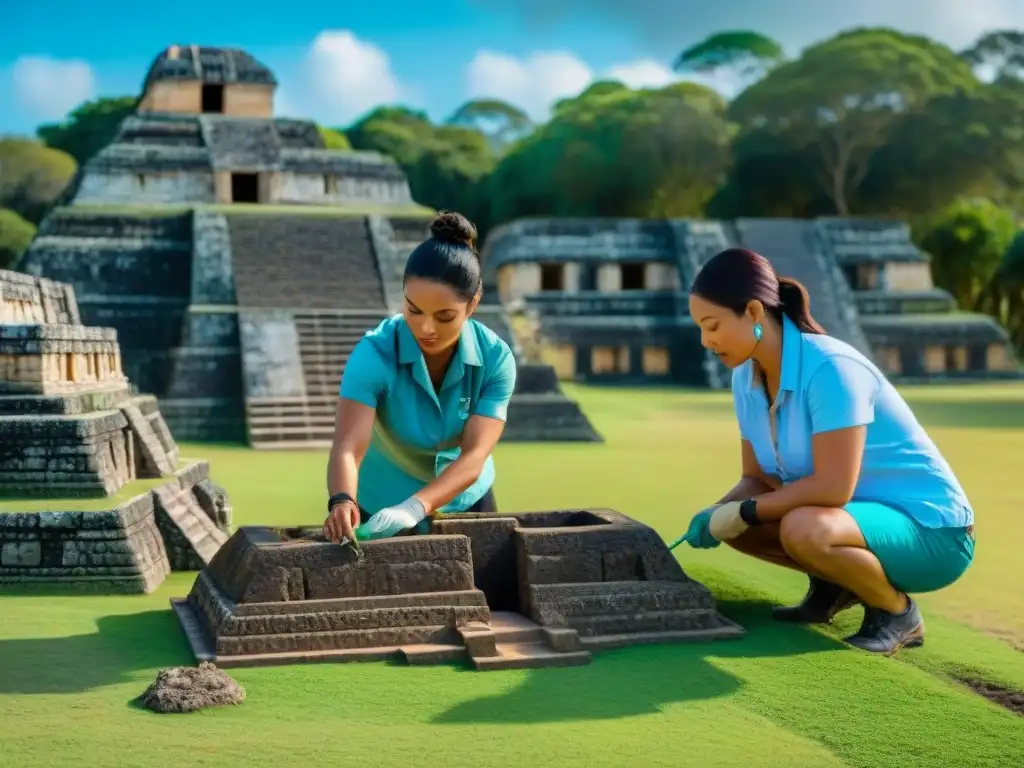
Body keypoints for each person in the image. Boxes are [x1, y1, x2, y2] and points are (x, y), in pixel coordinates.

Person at [678, 247, 975, 655]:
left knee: (801, 527)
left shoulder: (831, 368)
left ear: (751, 312)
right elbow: (758, 480)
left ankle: (897, 612)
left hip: (932, 534)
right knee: (741, 528)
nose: (706, 341)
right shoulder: (745, 378)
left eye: (712, 326)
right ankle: (836, 583)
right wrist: (716, 513)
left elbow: (833, 487)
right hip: (851, 521)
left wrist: (743, 511)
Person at [322, 211, 516, 544]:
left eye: (444, 317)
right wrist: (342, 500)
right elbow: (348, 447)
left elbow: (474, 455)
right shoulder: (373, 354)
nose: (426, 329)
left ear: (472, 306)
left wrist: (415, 507)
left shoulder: (496, 359)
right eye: (413, 310)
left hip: (465, 497)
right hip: (380, 501)